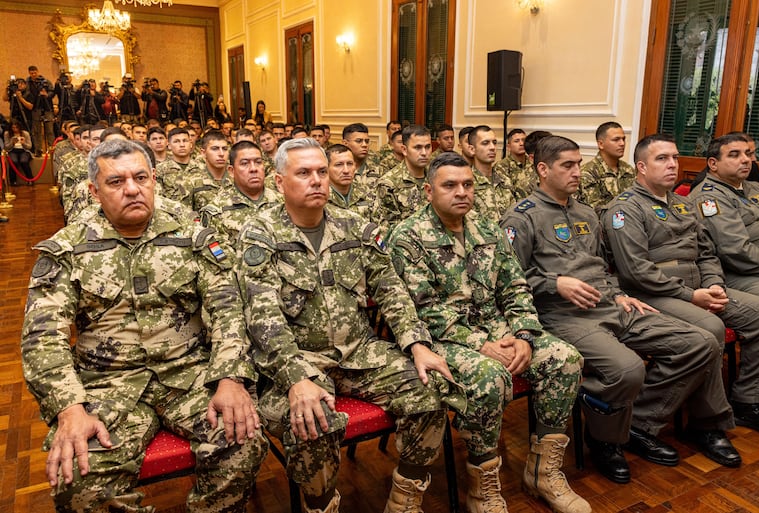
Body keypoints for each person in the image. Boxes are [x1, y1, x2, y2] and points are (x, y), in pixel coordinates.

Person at [21, 139, 267, 512]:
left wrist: (230, 377)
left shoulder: (191, 234)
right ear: (94, 191)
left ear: (154, 178)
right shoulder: (68, 248)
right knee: (79, 478)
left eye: (140, 177)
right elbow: (43, 338)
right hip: (107, 385)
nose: (132, 189)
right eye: (116, 182)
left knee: (242, 439)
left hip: (187, 375)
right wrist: (69, 408)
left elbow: (228, 307)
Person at [500, 135, 739, 483]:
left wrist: (616, 293)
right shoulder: (522, 218)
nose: (577, 172)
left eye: (579, 164)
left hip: (608, 305)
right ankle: (605, 439)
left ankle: (634, 423)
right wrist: (555, 283)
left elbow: (600, 264)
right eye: (567, 165)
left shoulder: (584, 212)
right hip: (560, 314)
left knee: (700, 343)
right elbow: (507, 280)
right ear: (542, 169)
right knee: (627, 369)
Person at [234, 137, 453, 513]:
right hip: (296, 359)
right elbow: (262, 318)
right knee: (312, 421)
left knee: (430, 391)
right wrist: (295, 377)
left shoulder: (355, 226)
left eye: (321, 171)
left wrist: (417, 344)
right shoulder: (260, 235)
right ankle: (320, 505)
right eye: (304, 173)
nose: (317, 180)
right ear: (279, 181)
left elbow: (390, 290)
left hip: (358, 351)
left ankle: (405, 498)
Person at [389, 152, 589, 513]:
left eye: (468, 184)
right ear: (428, 191)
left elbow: (515, 287)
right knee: (489, 377)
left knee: (565, 358)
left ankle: (544, 472)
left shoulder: (487, 228)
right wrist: (480, 344)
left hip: (498, 329)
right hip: (443, 338)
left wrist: (525, 334)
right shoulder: (407, 237)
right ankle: (482, 486)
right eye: (450, 185)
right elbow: (423, 309)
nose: (461, 192)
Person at [602, 133, 759, 438]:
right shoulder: (624, 209)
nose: (672, 165)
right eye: (662, 159)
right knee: (711, 328)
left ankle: (750, 398)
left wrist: (715, 284)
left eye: (675, 158)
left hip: (699, 287)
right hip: (655, 293)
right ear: (641, 167)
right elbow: (637, 271)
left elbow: (707, 252)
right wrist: (692, 295)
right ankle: (708, 423)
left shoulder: (682, 203)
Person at [690, 133, 759, 300]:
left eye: (748, 154)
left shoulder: (756, 187)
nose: (746, 160)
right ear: (713, 164)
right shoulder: (709, 198)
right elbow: (736, 251)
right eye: (734, 155)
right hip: (744, 271)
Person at [201, 140, 281, 246]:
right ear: (231, 171)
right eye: (244, 163)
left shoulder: (282, 201)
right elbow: (217, 253)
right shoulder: (216, 211)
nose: (253, 169)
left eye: (258, 162)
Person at [373, 124, 432, 236]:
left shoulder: (436, 177)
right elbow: (387, 229)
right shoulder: (389, 183)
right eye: (418, 147)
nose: (424, 153)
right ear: (404, 150)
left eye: (428, 147)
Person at [577, 122, 635, 213]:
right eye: (616, 140)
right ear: (601, 144)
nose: (622, 143)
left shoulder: (628, 170)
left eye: (623, 139)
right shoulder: (588, 173)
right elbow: (594, 210)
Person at [468, 125, 515, 222]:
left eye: (494, 143)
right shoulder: (466, 182)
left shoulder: (504, 179)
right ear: (472, 149)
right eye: (485, 143)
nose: (492, 147)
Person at [326, 144, 373, 219]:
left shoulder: (367, 192)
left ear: (355, 166)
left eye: (350, 164)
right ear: (326, 168)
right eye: (339, 165)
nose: (346, 170)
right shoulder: (321, 196)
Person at [494, 128, 537, 201]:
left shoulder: (533, 161)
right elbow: (506, 196)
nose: (521, 144)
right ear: (508, 147)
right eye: (516, 141)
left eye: (523, 140)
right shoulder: (501, 166)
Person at [26, 66, 55, 155]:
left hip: (47, 108)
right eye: (32, 73)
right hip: (35, 108)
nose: (34, 75)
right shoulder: (28, 83)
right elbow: (26, 93)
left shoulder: (46, 81)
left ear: (38, 71)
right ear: (29, 73)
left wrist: (47, 94)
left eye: (35, 72)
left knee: (49, 130)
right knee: (36, 131)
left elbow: (52, 92)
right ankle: (38, 149)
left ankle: (52, 149)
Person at [342, 122, 380, 189]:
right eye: (359, 141)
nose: (364, 145)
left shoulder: (378, 168)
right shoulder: (338, 170)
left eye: (367, 141)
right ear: (345, 143)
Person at [4, 121, 34, 185]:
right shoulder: (7, 134)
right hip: (12, 150)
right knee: (13, 161)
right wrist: (12, 142)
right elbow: (6, 147)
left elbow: (29, 146)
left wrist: (24, 143)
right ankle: (13, 181)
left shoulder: (25, 133)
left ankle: (30, 179)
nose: (15, 129)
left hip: (24, 151)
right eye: (13, 127)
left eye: (16, 127)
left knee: (24, 161)